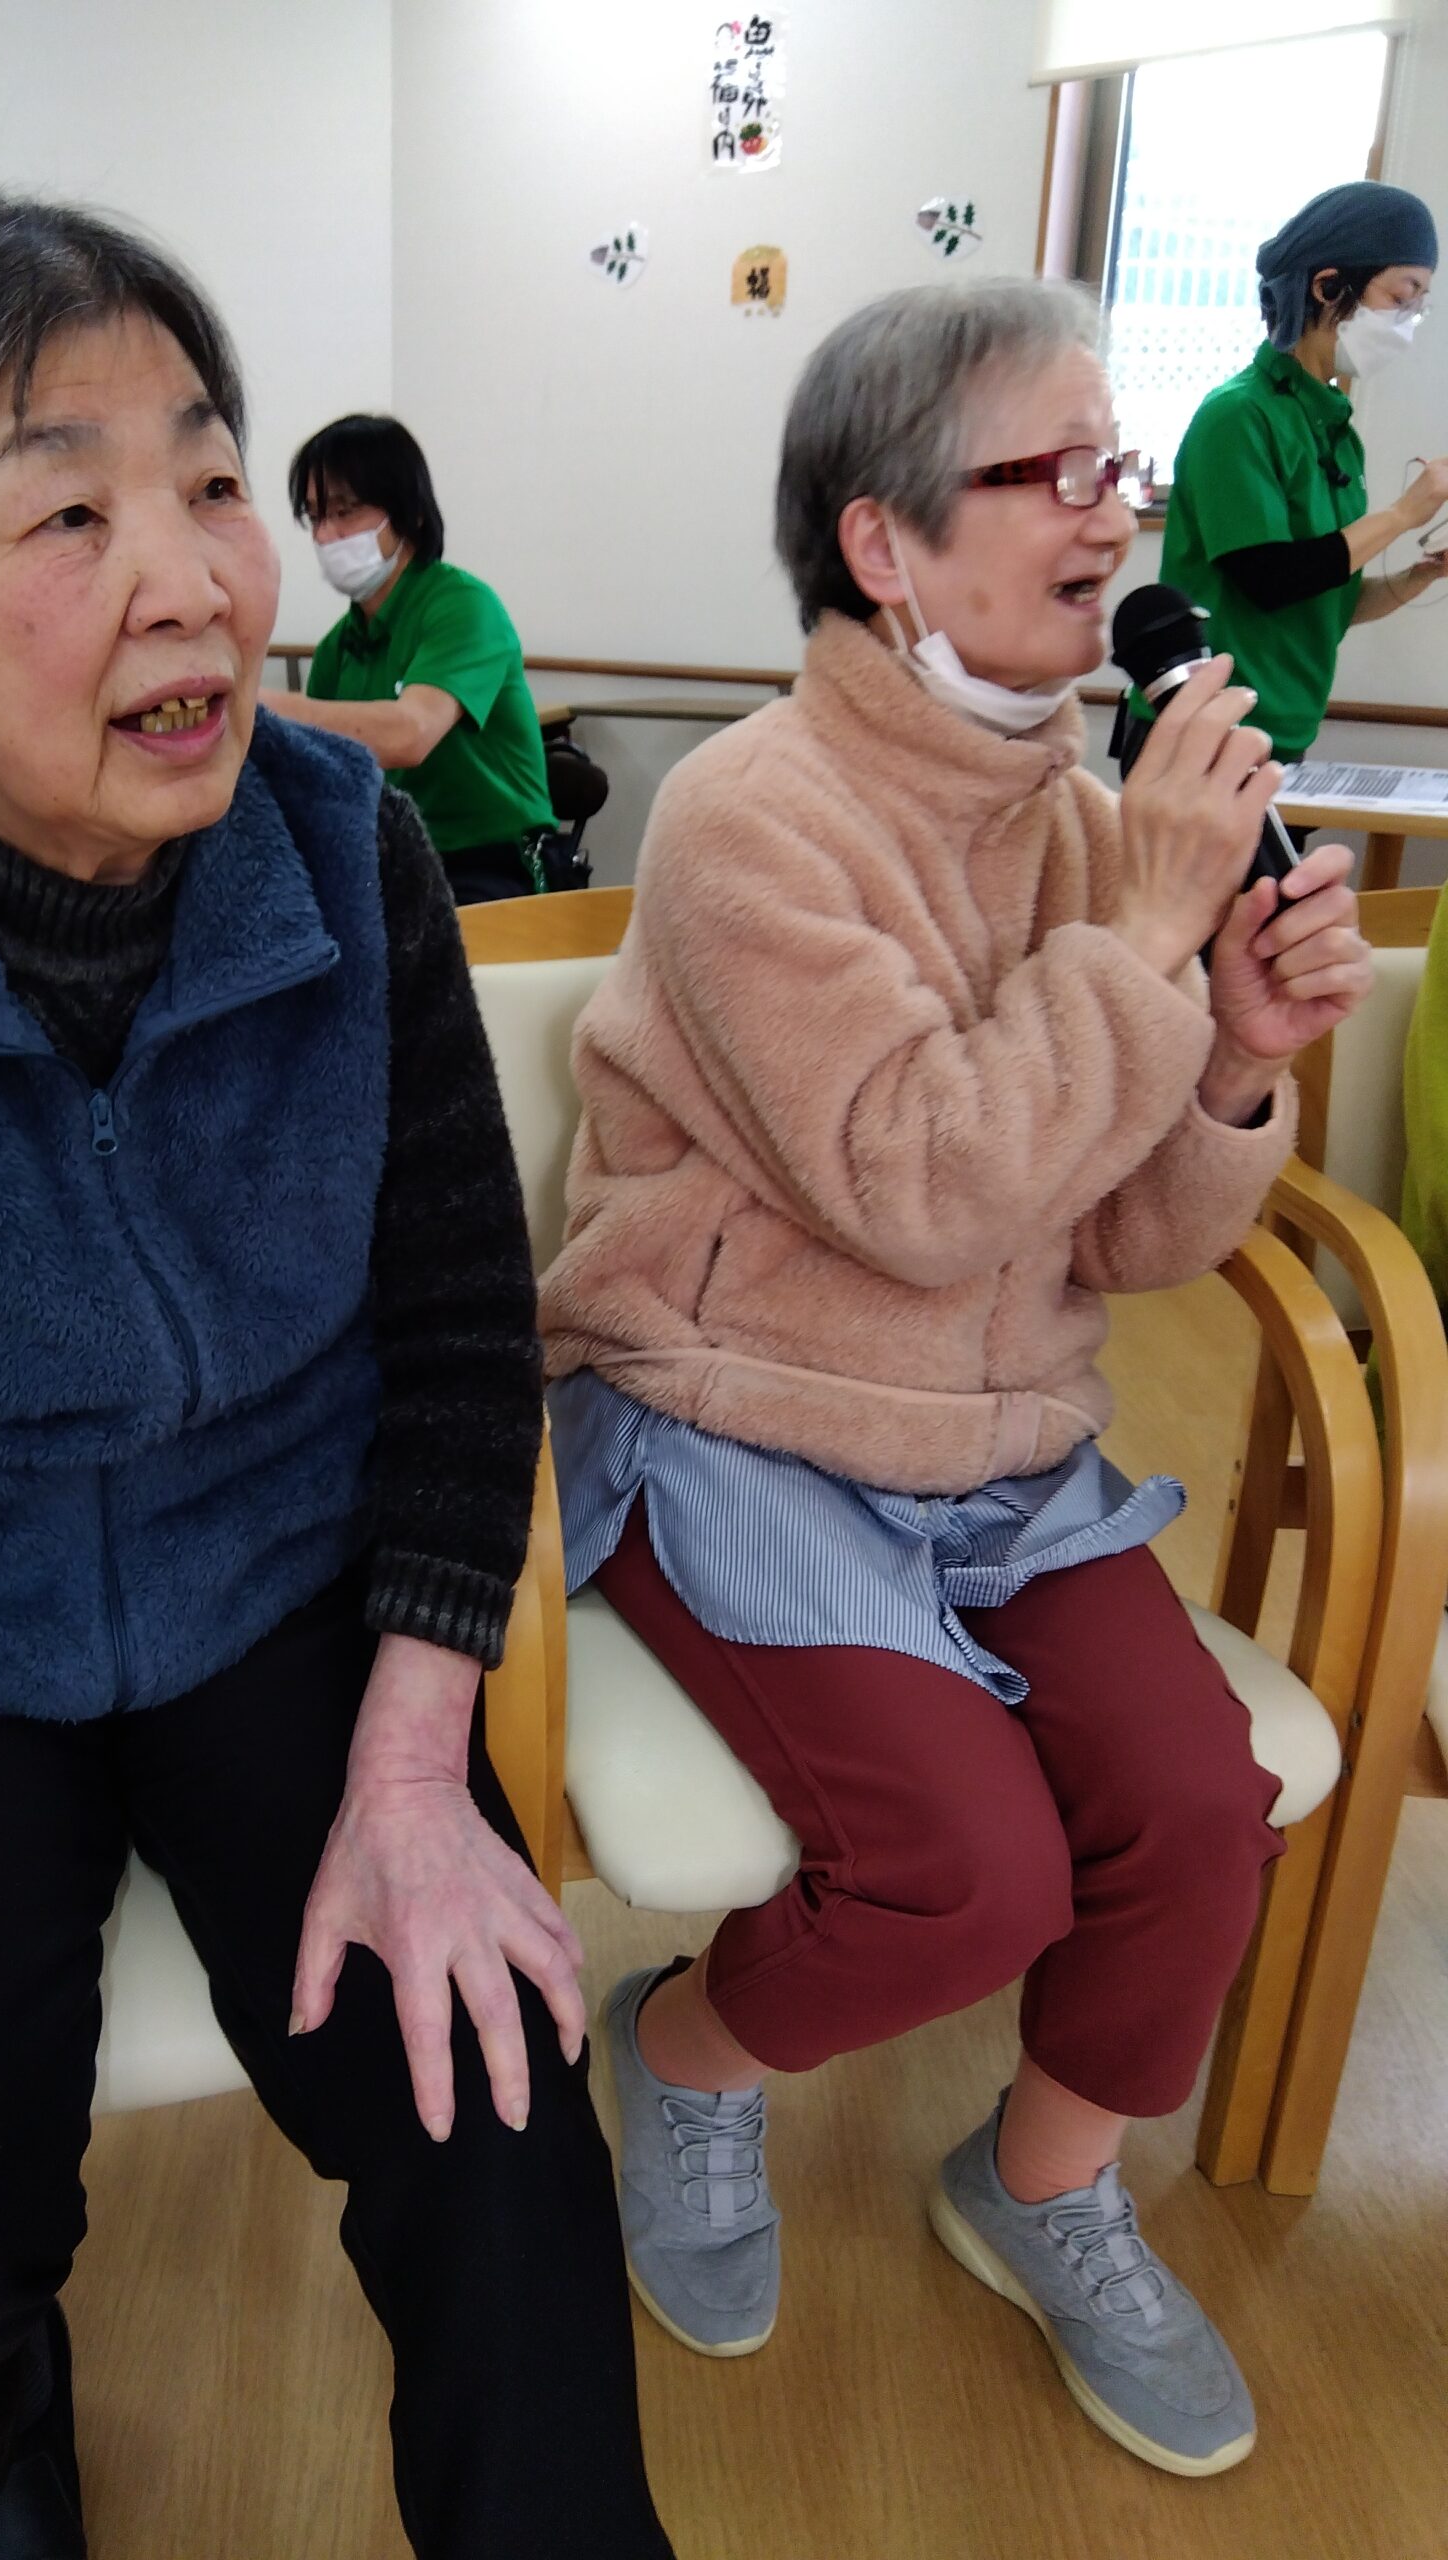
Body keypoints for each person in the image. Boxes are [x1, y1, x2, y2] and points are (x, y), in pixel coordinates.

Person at [0, 192, 673, 2560]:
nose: (199, 579)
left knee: (492, 2105)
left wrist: (417, 1762)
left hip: (280, 1598)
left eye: (209, 477)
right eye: (70, 512)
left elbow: (462, 1326)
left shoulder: (345, 842)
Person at [540, 278, 1373, 2479]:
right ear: (884, 543)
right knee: (968, 1873)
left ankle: (1042, 2179)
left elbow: (1122, 1237)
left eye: (1121, 468)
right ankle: (688, 2057)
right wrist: (1151, 939)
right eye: (1058, 470)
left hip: (997, 1446)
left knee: (1198, 1807)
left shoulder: (1090, 827)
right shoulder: (749, 818)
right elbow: (923, 1185)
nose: (1116, 515)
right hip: (738, 1413)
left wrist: (1238, 1063)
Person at [1152, 179, 1446, 769]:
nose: (1408, 323)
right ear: (1328, 285)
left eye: (1420, 306)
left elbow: (1327, 602)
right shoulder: (1237, 415)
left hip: (1284, 734)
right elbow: (1272, 581)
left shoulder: (1335, 431)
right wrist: (1402, 515)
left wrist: (1420, 576)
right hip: (1207, 734)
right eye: (1401, 297)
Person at [262, 414, 559, 904]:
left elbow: (410, 734)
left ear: (409, 512)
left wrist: (258, 705)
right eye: (315, 517)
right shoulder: (338, 646)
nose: (326, 535)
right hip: (391, 859)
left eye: (345, 511)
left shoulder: (463, 606)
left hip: (492, 863)